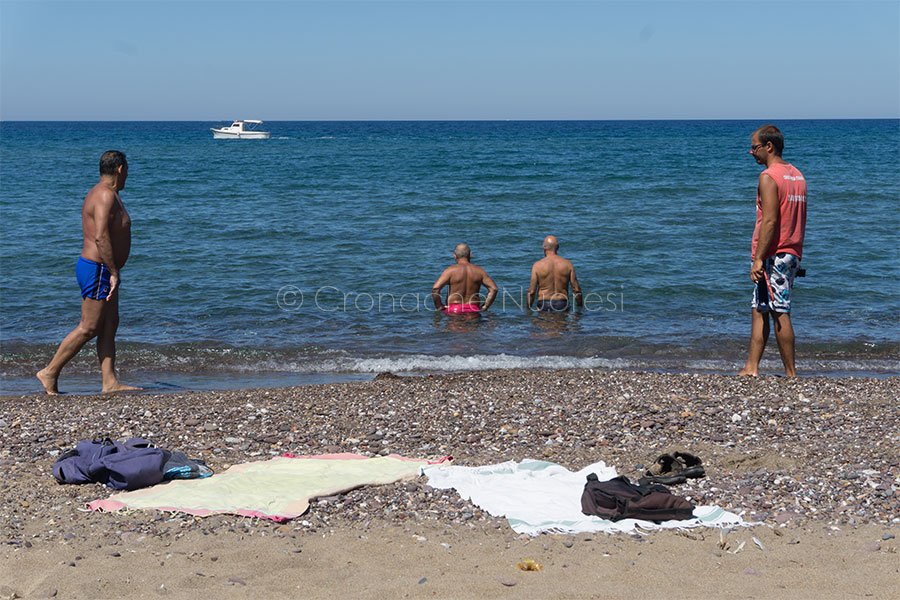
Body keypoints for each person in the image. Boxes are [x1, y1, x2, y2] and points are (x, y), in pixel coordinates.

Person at [36, 151, 140, 394]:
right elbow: (100, 236)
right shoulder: (104, 195)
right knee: (89, 326)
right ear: (121, 170)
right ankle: (49, 371)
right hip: (99, 268)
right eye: (127, 171)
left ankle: (109, 382)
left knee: (110, 323)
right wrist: (113, 271)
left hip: (103, 268)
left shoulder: (107, 193)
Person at [739, 125, 807, 377]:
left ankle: (791, 373)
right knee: (760, 308)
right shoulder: (797, 175)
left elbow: (769, 221)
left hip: (773, 254)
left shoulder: (769, 177)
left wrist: (758, 259)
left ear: (769, 146)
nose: (750, 152)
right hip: (792, 251)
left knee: (780, 311)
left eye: (754, 147)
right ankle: (752, 367)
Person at [431, 243, 498, 314]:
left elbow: (435, 288)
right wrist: (485, 306)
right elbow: (494, 289)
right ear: (471, 254)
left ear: (454, 255)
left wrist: (439, 306)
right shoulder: (479, 271)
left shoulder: (450, 271)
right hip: (473, 310)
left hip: (454, 310)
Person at [527, 235, 583, 311]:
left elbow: (531, 291)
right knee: (561, 322)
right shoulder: (567, 264)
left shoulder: (537, 266)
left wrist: (528, 310)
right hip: (562, 304)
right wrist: (580, 307)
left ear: (544, 248)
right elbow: (576, 289)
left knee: (542, 322)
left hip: (544, 304)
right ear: (558, 247)